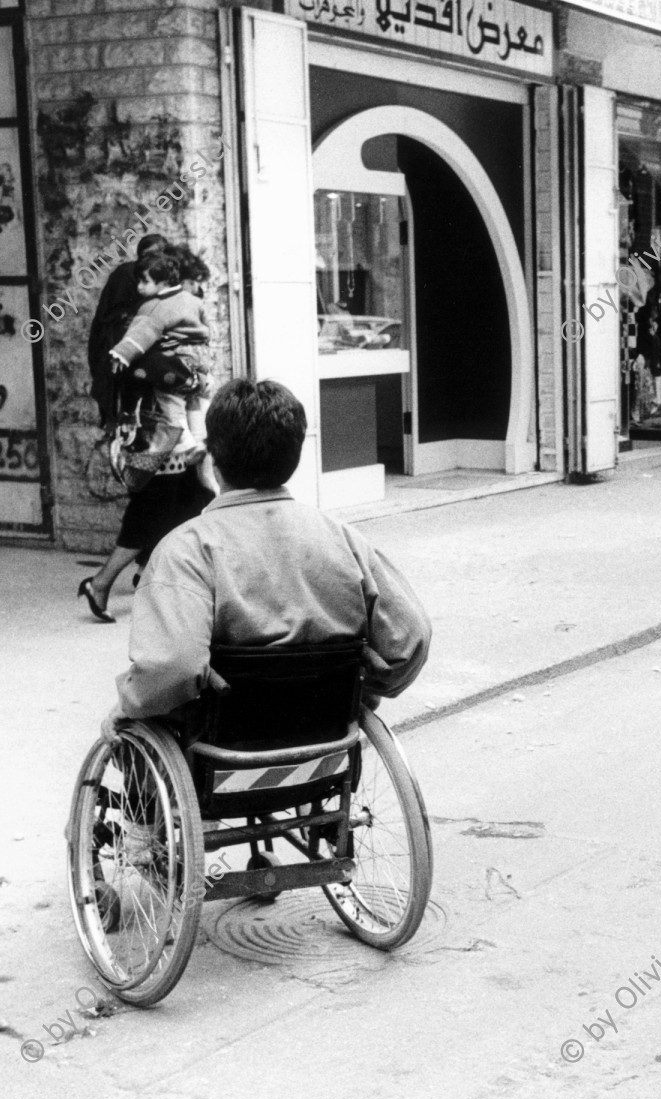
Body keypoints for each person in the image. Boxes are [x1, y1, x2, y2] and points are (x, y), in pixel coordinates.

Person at [108, 378, 431, 727]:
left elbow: (172, 668)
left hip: (223, 744)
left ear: (213, 458)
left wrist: (128, 704)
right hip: (326, 727)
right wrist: (365, 688)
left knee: (139, 716)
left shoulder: (186, 550)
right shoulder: (344, 540)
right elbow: (410, 639)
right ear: (294, 457)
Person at [78, 244, 214, 622]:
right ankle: (102, 582)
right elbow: (148, 373)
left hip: (171, 433)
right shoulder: (136, 329)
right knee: (152, 510)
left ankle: (157, 579)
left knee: (193, 501)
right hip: (157, 432)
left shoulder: (161, 317)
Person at [87, 232, 168, 432]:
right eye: (148, 255)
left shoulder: (164, 278)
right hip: (121, 353)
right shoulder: (127, 275)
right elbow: (111, 318)